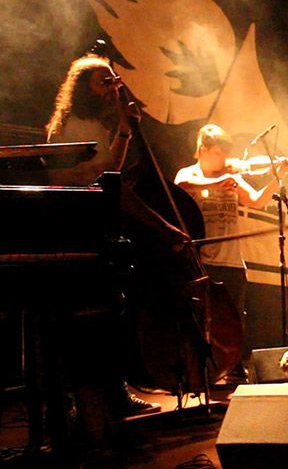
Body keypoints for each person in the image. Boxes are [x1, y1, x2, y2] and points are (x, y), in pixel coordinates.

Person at [44, 53, 190, 460]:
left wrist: (125, 129)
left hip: (100, 235)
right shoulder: (70, 126)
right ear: (82, 88)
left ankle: (112, 401)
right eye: (103, 82)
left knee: (109, 322)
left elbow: (112, 173)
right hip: (77, 239)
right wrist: (162, 227)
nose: (113, 88)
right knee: (87, 331)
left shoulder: (96, 127)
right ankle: (91, 427)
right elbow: (77, 182)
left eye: (113, 81)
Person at [174, 124, 288, 381]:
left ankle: (232, 365)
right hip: (201, 258)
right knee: (201, 316)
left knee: (234, 318)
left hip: (232, 259)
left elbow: (257, 200)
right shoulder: (189, 173)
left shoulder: (232, 177)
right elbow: (184, 185)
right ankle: (200, 368)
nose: (222, 160)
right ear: (203, 150)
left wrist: (278, 175)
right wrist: (219, 182)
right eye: (217, 153)